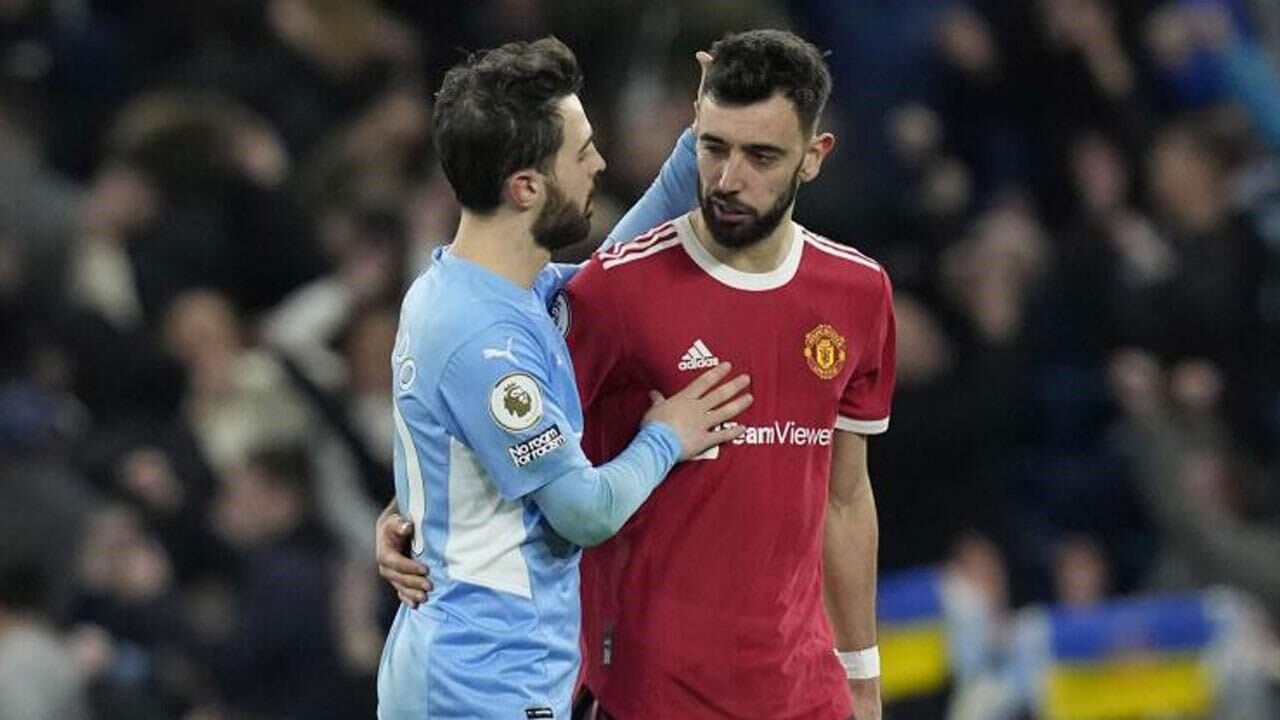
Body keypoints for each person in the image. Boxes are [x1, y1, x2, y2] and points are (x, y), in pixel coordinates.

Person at [382, 30, 893, 720]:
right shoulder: (488, 339)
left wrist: (701, 136)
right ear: (527, 187)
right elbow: (582, 510)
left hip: (504, 666)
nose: (600, 164)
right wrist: (666, 434)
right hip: (483, 678)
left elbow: (611, 271)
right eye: (582, 152)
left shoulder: (509, 295)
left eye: (758, 153)